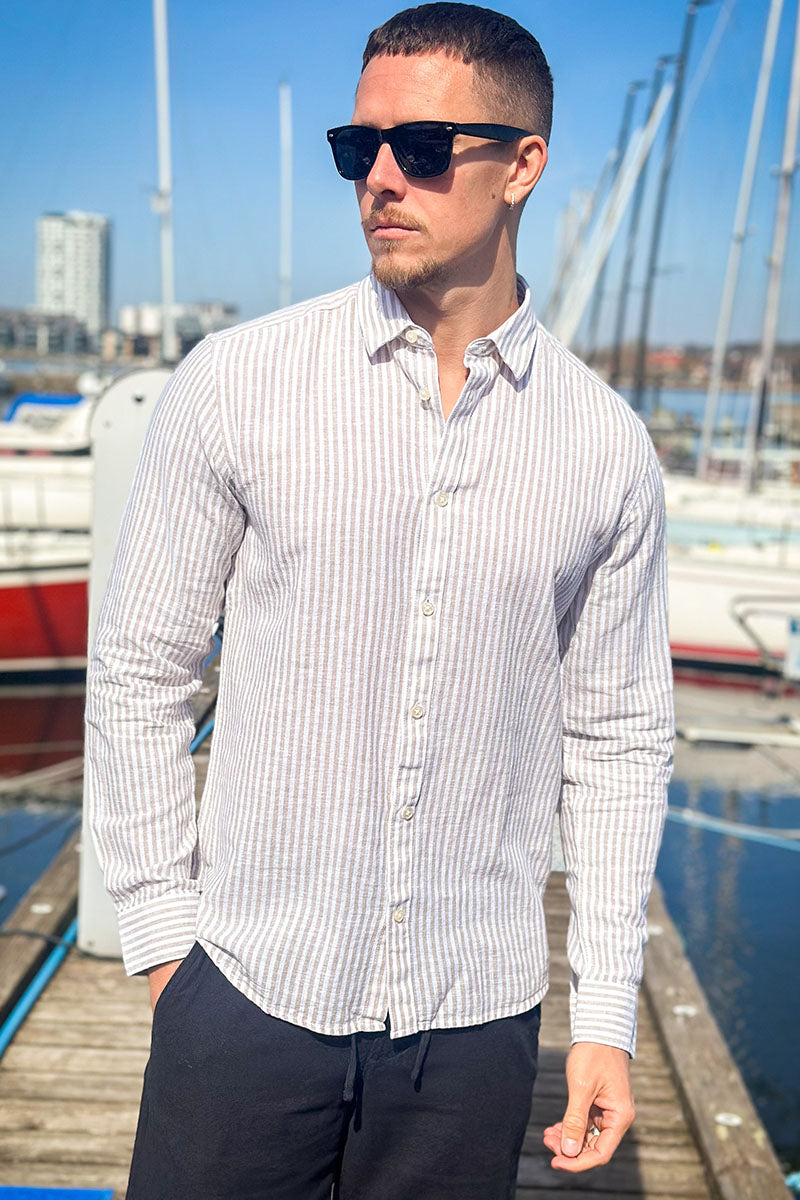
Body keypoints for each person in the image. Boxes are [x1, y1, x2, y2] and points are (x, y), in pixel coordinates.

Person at [85, 3, 674, 1197]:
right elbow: (141, 670)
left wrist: (604, 1010)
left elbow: (616, 739)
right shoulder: (237, 384)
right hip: (243, 996)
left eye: (419, 146)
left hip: (472, 1024)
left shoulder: (604, 445)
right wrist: (163, 946)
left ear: (521, 165)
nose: (379, 179)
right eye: (358, 148)